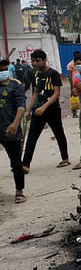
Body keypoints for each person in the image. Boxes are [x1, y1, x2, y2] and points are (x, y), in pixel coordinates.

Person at [22, 50, 69, 171]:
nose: (35, 63)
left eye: (37, 61)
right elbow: (35, 92)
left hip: (52, 109)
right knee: (32, 136)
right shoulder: (34, 73)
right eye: (33, 61)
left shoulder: (53, 74)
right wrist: (29, 110)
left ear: (44, 60)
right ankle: (25, 164)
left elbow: (56, 93)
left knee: (59, 134)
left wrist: (44, 107)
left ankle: (65, 158)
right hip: (37, 110)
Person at [0, 59, 27, 203]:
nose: (2, 72)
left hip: (10, 128)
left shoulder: (15, 85)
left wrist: (15, 124)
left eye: (4, 69)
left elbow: (21, 106)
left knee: (16, 162)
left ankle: (19, 191)